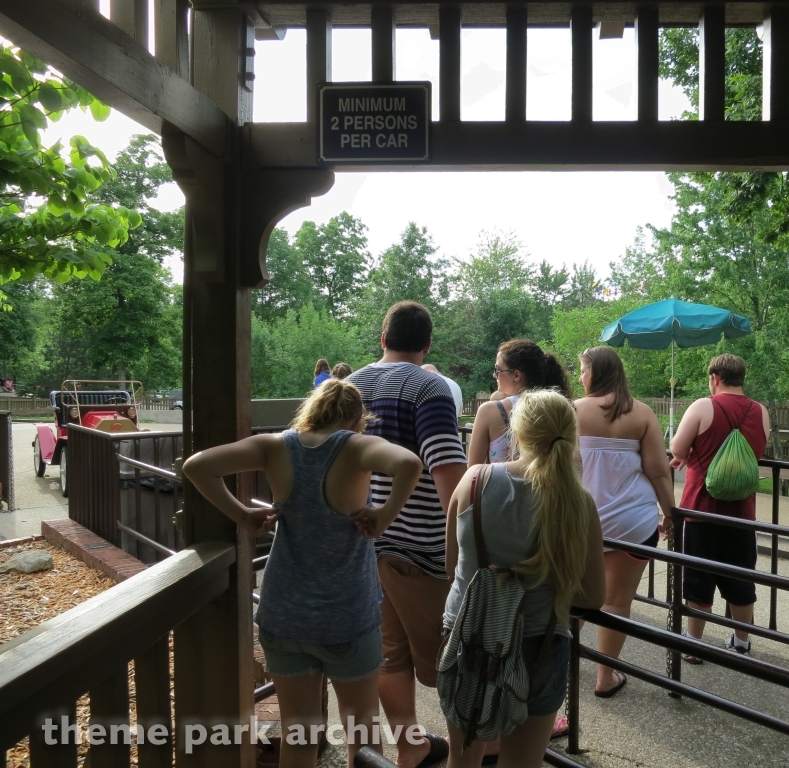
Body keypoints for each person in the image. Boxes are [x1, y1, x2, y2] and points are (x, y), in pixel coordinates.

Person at [183, 379, 423, 768]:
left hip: (284, 616)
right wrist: (384, 515)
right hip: (347, 616)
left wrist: (242, 515)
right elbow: (409, 464)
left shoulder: (275, 446)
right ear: (355, 418)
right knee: (361, 731)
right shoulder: (356, 446)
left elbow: (197, 466)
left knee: (300, 733)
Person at [443, 389, 606, 768]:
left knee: (463, 757)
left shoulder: (474, 481)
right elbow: (594, 596)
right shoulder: (579, 504)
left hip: (469, 635)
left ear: (517, 434)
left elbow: (454, 568)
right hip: (540, 642)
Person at [348, 301, 467, 768]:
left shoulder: (350, 385)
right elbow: (449, 478)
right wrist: (466, 549)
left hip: (365, 548)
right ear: (427, 344)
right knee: (457, 658)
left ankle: (410, 745)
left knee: (388, 657)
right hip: (422, 552)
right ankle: (470, 751)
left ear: (383, 338)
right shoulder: (428, 387)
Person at [574, 346, 676, 697]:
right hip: (633, 521)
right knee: (616, 602)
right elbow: (659, 471)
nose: (579, 377)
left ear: (595, 373)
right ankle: (606, 678)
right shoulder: (642, 414)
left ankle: (560, 665)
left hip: (581, 521)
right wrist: (671, 513)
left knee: (576, 598)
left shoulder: (571, 411)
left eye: (583, 370)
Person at [669, 353, 770, 661]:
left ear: (714, 378)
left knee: (698, 578)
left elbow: (676, 448)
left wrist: (687, 455)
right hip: (742, 514)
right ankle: (741, 643)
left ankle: (695, 644)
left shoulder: (704, 406)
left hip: (701, 510)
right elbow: (759, 452)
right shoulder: (760, 411)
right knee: (741, 578)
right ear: (742, 378)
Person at [467, 340, 572, 466]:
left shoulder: (490, 411)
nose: (494, 375)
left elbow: (473, 471)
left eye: (498, 369)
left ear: (516, 375)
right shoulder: (559, 408)